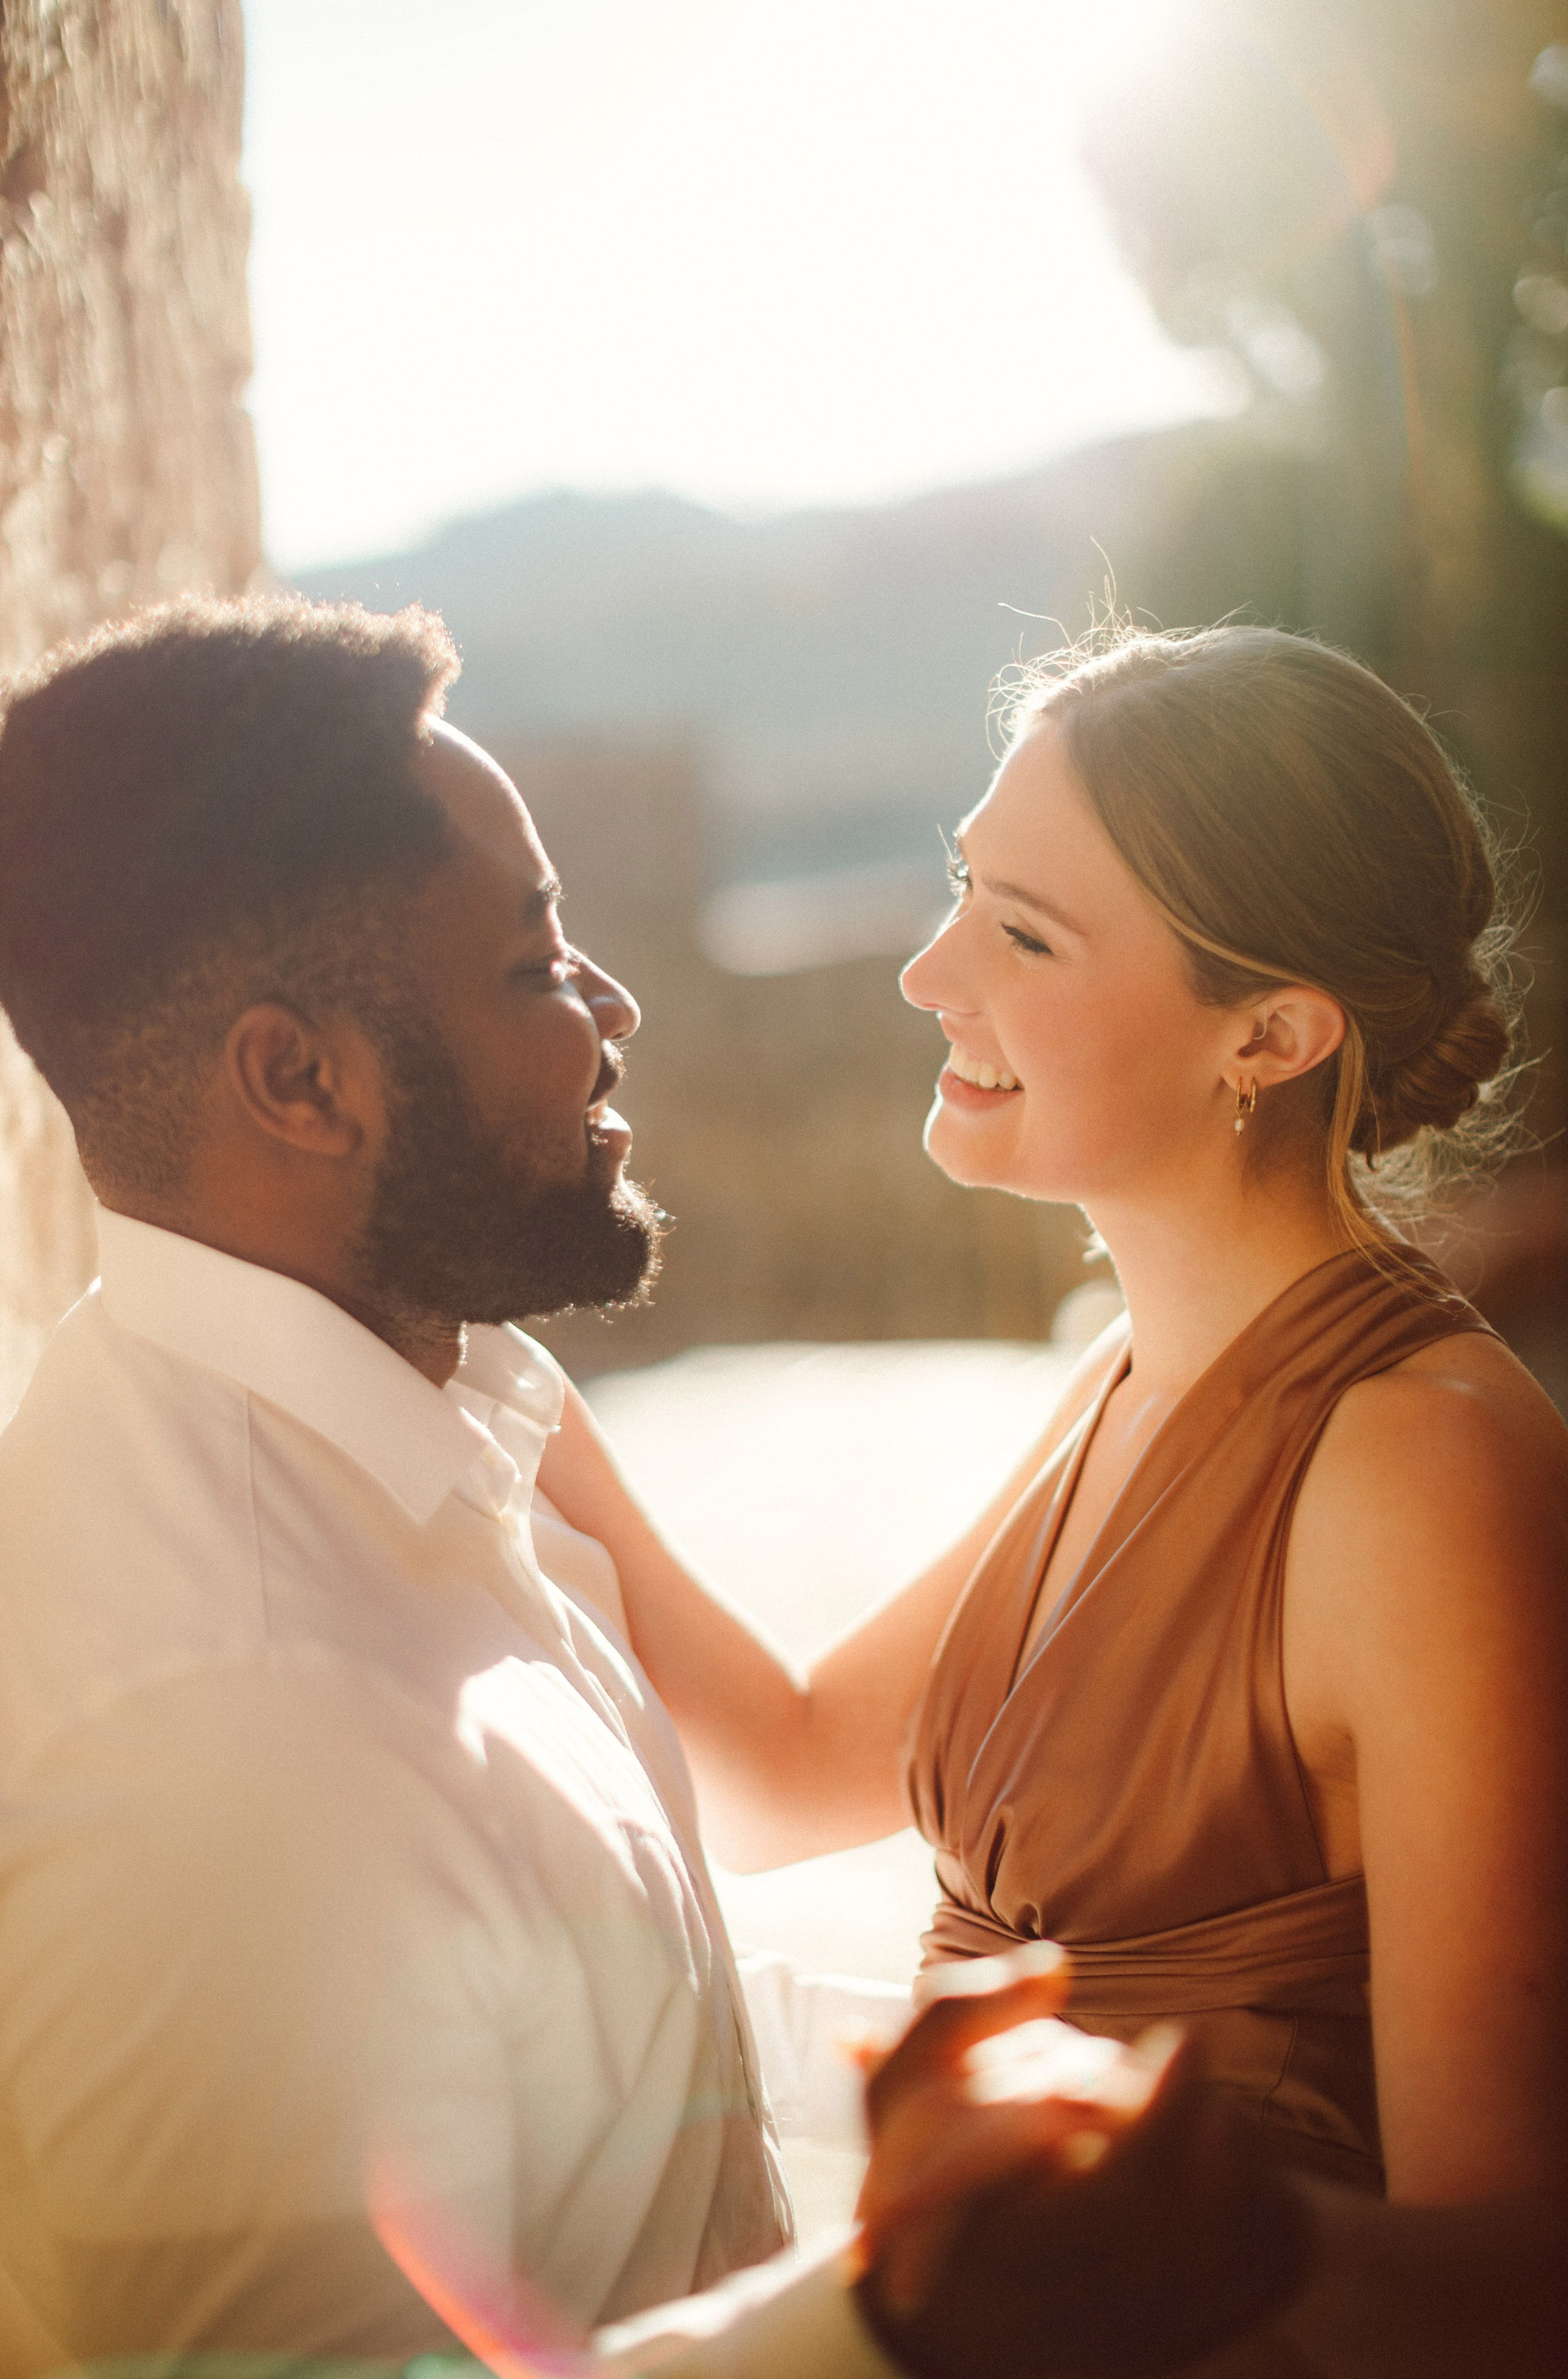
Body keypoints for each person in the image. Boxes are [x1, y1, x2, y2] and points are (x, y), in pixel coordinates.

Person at [0, 597, 1282, 2379]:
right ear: (299, 1080)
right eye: (533, 964)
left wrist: (929, 2089)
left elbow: (558, 2039)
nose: (614, 1008)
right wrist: (888, 2308)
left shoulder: (449, 1407)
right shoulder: (217, 1720)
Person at [537, 624, 1568, 2221]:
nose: (925, 973)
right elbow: (789, 1770)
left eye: (1023, 938)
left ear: (1270, 1036)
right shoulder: (1121, 1379)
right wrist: (481, 1363)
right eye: (963, 888)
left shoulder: (1421, 1467)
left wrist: (1069, 2202)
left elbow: (1516, 2269)